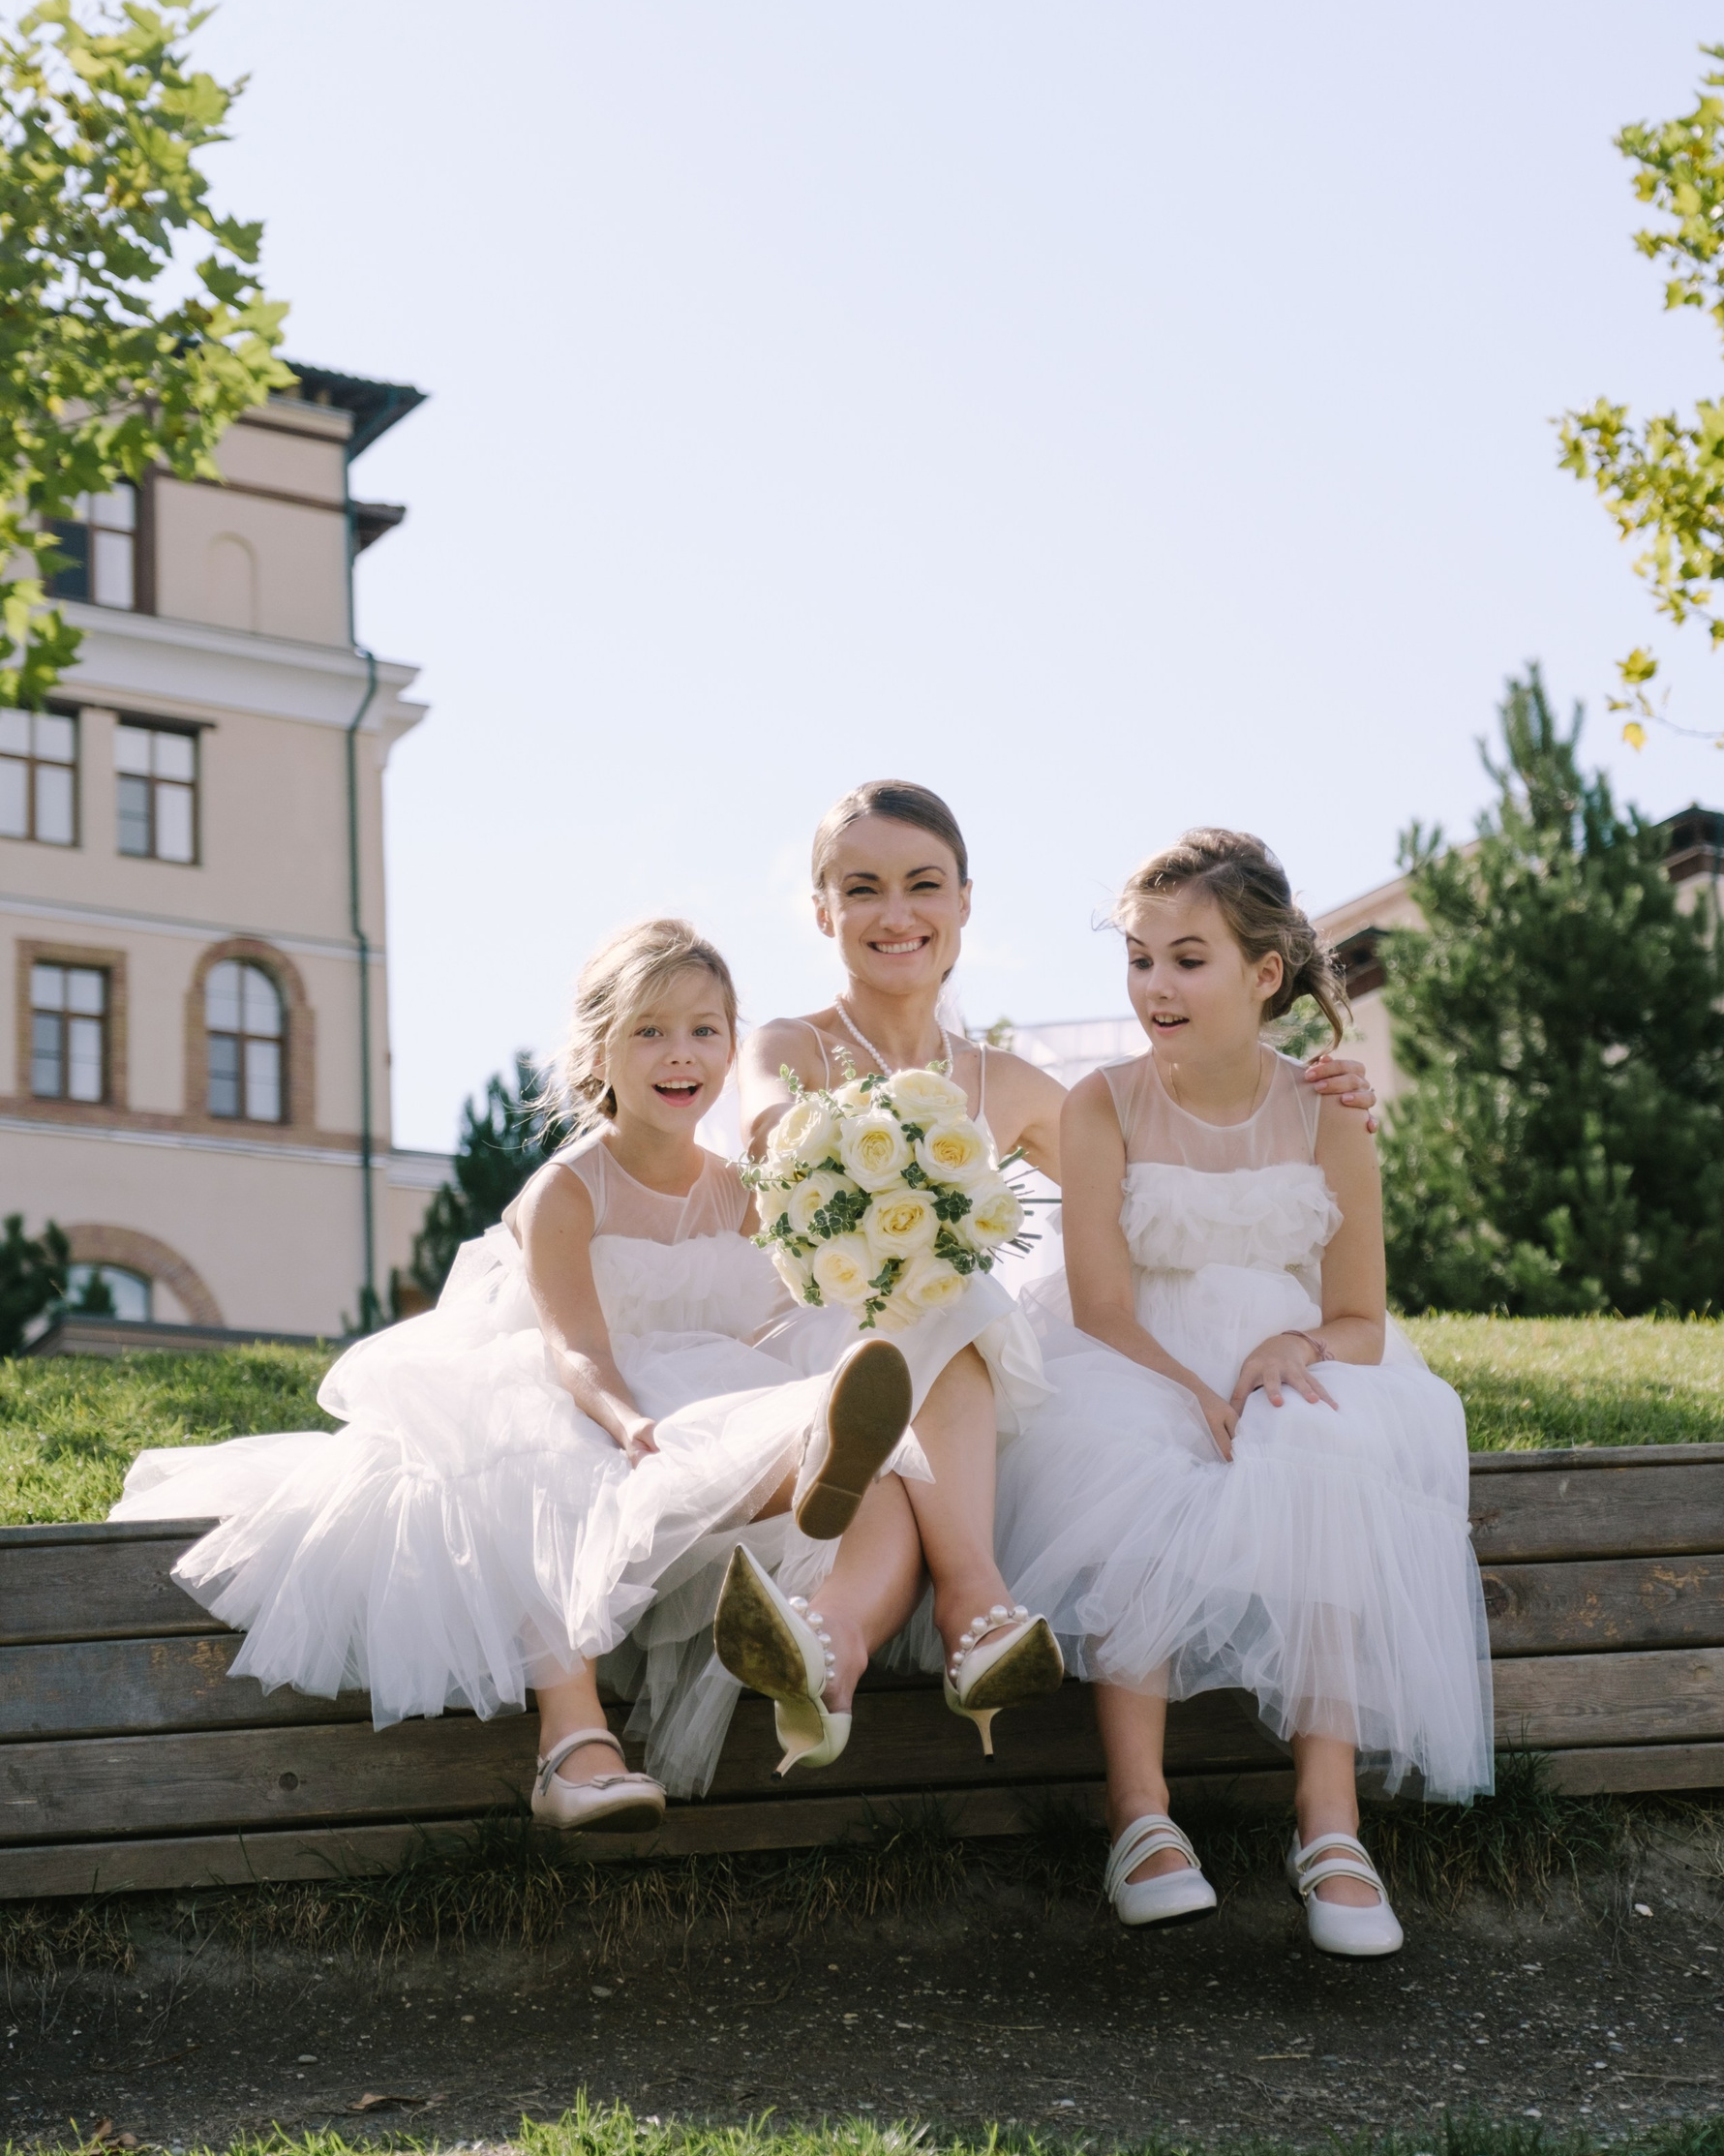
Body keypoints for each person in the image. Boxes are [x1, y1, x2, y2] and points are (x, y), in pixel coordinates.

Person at [110, 920, 918, 1823]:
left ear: (733, 1046)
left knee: (883, 1455)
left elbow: (769, 1318)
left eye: (704, 1030)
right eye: (649, 1031)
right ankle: (572, 1744)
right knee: (546, 1459)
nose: (680, 1054)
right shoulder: (569, 1190)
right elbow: (574, 1351)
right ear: (599, 1053)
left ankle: (822, 1618)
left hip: (702, 1394)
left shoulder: (742, 1191)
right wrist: (627, 1423)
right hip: (581, 1396)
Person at [711, 780, 1382, 1780]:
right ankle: (977, 1608)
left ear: (964, 901)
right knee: (939, 1317)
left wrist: (1313, 1108)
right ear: (822, 911)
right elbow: (775, 1132)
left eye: (922, 884)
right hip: (820, 1346)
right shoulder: (788, 1046)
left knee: (919, 1390)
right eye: (862, 889)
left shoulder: (1015, 1085)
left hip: (931, 1391)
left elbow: (1167, 1181)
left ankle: (829, 1649)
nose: (895, 913)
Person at [995, 829, 1493, 1955]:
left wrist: (1293, 1346)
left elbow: (1361, 1316)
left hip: (1292, 1355)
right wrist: (1190, 1388)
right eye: (1139, 959)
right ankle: (1141, 1815)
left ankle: (1330, 1819)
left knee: (1327, 1452)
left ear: (1266, 973)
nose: (1155, 987)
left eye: (1188, 960)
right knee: (1121, 1449)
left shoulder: (1327, 1109)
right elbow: (1101, 1305)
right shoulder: (1102, 1105)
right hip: (1136, 1351)